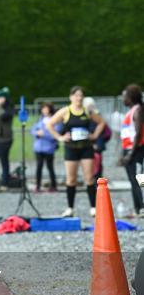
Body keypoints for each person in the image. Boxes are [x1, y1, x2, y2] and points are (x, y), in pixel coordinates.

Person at [46, 86, 105, 217]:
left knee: (89, 178)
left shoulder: (87, 111)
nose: (79, 98)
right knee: (71, 179)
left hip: (86, 148)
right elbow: (49, 124)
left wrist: (94, 135)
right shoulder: (66, 111)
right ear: (71, 97)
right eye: (76, 95)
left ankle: (93, 207)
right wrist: (60, 137)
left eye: (81, 95)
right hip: (71, 148)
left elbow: (101, 123)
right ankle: (70, 208)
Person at [119, 84, 144, 217]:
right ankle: (138, 208)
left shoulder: (138, 110)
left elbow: (138, 133)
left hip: (136, 151)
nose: (123, 99)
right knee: (133, 181)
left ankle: (142, 206)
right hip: (129, 149)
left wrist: (130, 154)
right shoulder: (131, 110)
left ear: (131, 97)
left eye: (124, 96)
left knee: (140, 179)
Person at [30, 102, 59, 193]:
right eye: (43, 109)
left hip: (49, 147)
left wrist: (44, 134)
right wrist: (37, 133)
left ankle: (53, 185)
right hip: (39, 147)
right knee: (39, 167)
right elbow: (33, 129)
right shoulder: (40, 120)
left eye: (46, 108)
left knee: (50, 167)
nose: (44, 110)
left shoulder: (54, 120)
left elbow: (56, 133)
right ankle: (37, 185)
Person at [83, 96, 112, 181]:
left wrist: (95, 142)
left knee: (96, 163)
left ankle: (97, 181)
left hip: (96, 144)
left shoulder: (94, 116)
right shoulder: (93, 114)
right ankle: (95, 180)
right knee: (95, 163)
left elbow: (98, 132)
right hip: (94, 143)